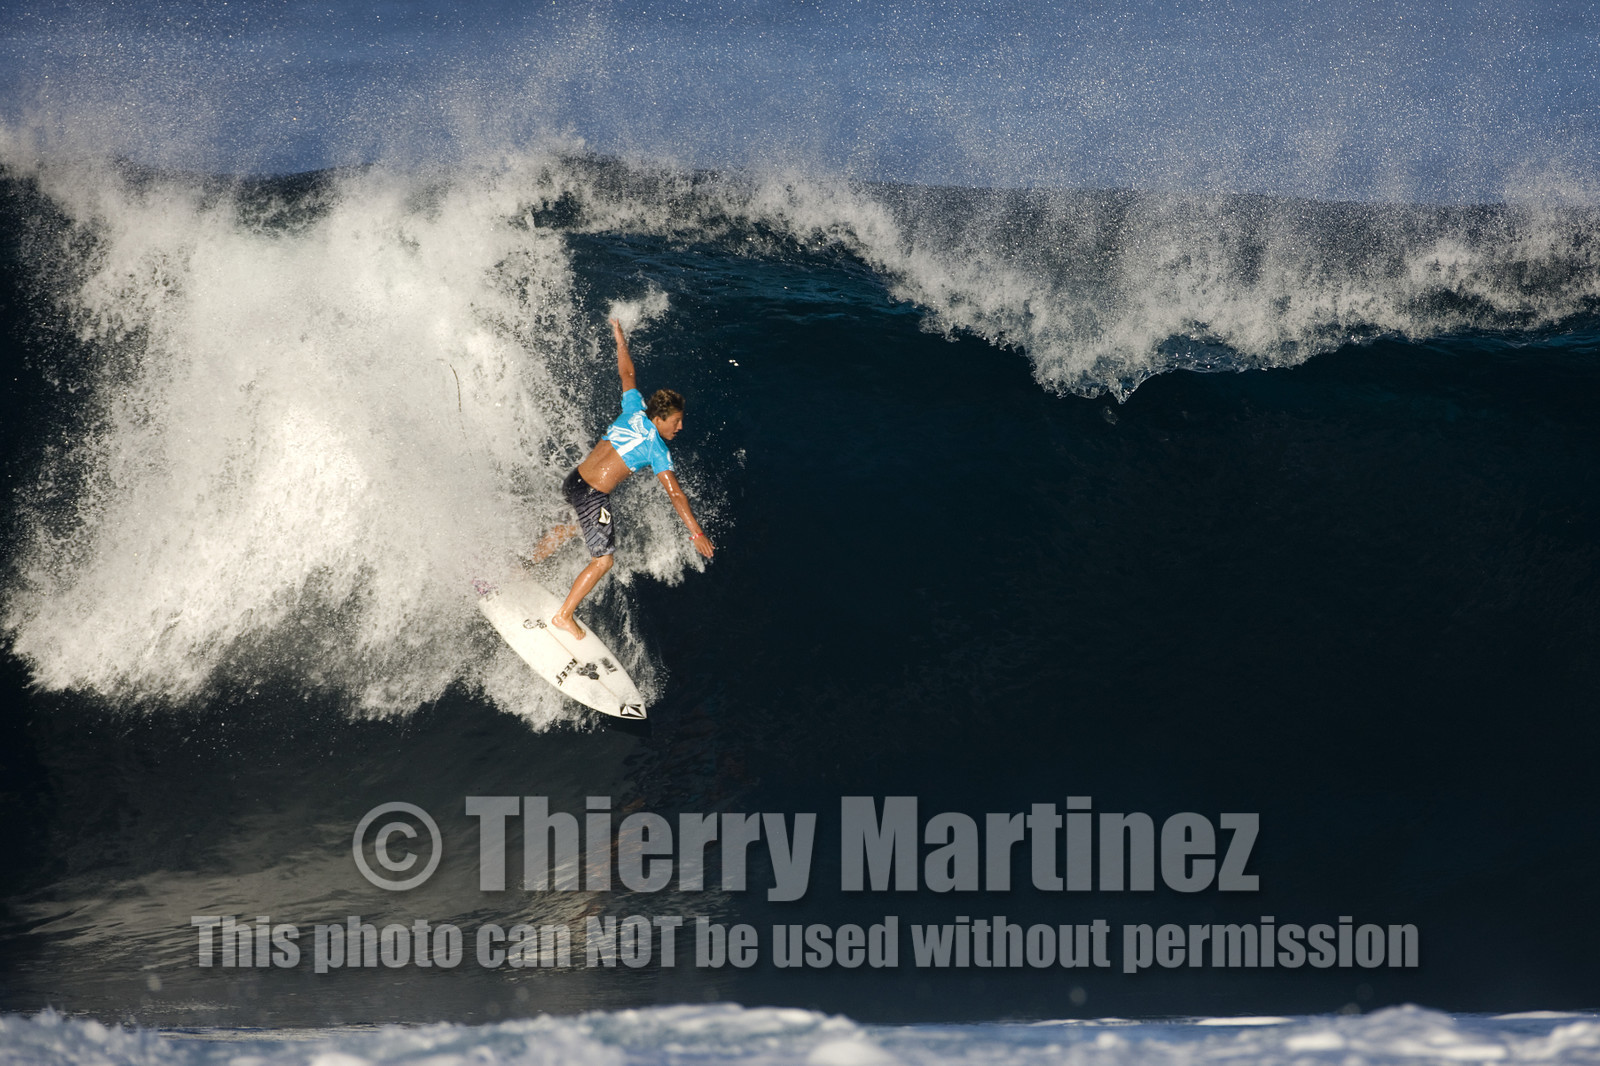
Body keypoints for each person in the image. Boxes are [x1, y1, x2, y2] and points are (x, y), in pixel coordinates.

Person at [538, 318, 715, 640]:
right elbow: (676, 495)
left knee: (570, 526)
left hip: (575, 480)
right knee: (603, 561)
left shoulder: (634, 409)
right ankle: (564, 616)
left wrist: (619, 338)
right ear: (659, 419)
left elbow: (627, 374)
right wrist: (696, 533)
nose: (680, 427)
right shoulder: (657, 448)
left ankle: (524, 566)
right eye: (676, 421)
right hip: (592, 494)